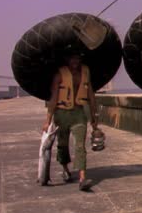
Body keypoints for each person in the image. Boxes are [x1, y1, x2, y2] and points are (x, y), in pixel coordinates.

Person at [42, 50, 99, 191]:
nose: (75, 62)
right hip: (61, 114)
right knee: (62, 144)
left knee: (80, 145)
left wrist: (94, 116)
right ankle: (65, 168)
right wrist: (47, 120)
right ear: (67, 59)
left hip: (79, 113)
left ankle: (82, 178)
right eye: (72, 59)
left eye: (77, 58)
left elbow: (91, 95)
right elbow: (54, 98)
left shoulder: (85, 72)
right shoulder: (59, 74)